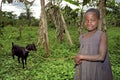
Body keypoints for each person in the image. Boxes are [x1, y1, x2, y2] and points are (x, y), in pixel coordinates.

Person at [74, 8, 113, 80]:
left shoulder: (101, 35)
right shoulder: (81, 37)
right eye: (87, 20)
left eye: (92, 20)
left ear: (98, 21)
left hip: (97, 69)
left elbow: (101, 57)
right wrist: (77, 59)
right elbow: (82, 52)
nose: (89, 22)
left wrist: (81, 56)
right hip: (84, 68)